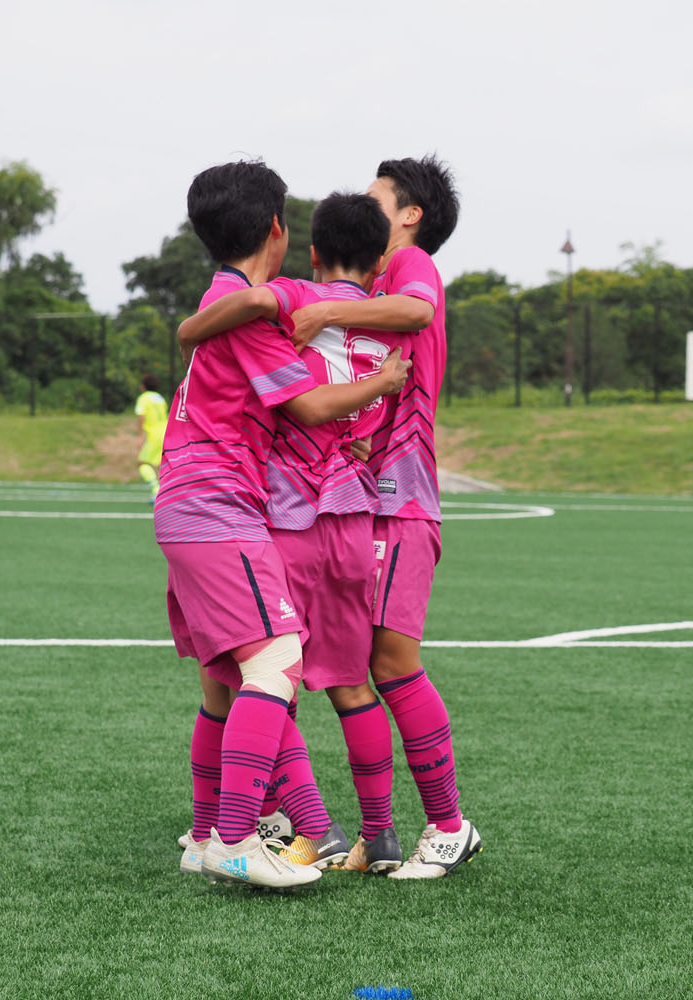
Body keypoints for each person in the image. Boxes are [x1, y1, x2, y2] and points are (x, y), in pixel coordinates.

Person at [158, 160, 410, 890]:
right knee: (275, 663)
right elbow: (306, 405)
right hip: (218, 502)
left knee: (228, 677)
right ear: (277, 228)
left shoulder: (225, 297)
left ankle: (208, 832)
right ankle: (237, 839)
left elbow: (203, 327)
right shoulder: (253, 314)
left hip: (195, 502)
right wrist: (381, 384)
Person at [287, 157, 482, 878]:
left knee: (394, 662)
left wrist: (323, 311)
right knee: (361, 665)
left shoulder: (411, 265)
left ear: (410, 216)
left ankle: (450, 826)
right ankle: (377, 834)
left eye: (378, 199)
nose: (367, 209)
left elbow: (418, 312)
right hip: (368, 500)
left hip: (403, 503)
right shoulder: (375, 284)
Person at [133, 374, 167, 502]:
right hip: (165, 433)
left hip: (154, 435)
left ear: (143, 387)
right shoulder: (160, 398)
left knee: (142, 463)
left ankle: (156, 490)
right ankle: (165, 493)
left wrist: (139, 435)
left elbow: (142, 416)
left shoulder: (144, 398)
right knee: (160, 465)